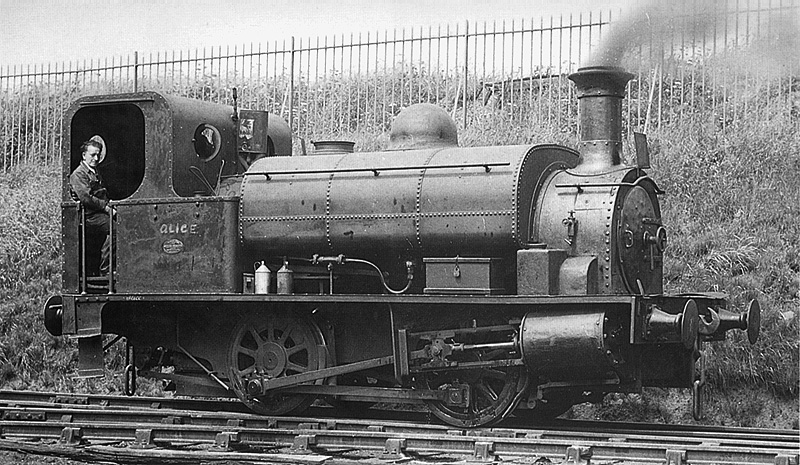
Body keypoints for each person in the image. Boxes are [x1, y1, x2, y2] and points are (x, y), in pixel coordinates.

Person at [69, 137, 114, 275]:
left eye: (98, 155)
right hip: (89, 216)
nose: (96, 158)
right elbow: (87, 198)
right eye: (92, 155)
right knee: (117, 229)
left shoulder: (95, 171)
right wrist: (106, 208)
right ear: (84, 155)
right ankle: (106, 270)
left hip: (99, 213)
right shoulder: (78, 174)